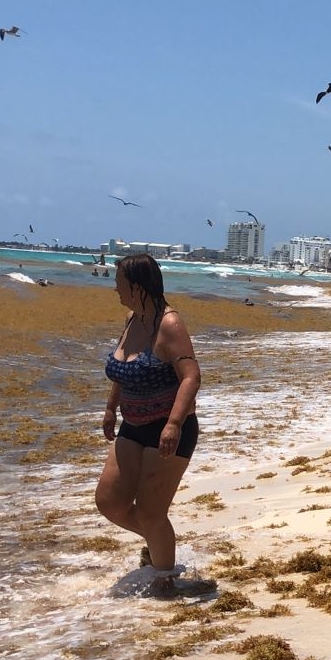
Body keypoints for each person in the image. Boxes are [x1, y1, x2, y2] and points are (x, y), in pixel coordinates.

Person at [95, 254, 214, 599]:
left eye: (119, 283)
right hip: (132, 425)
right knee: (109, 502)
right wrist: (109, 407)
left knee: (150, 511)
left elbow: (191, 377)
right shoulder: (133, 319)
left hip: (169, 431)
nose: (116, 289)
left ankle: (166, 581)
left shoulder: (169, 324)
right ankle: (160, 545)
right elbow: (123, 369)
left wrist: (174, 424)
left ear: (137, 286)